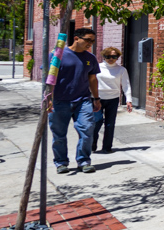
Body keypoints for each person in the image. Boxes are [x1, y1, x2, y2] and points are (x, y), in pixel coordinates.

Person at [49, 28, 102, 174]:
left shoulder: (90, 58)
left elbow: (92, 79)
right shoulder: (57, 55)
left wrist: (96, 98)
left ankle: (83, 161)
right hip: (59, 101)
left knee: (87, 130)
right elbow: (48, 79)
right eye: (88, 40)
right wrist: (48, 99)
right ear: (77, 38)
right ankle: (61, 163)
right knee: (59, 135)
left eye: (93, 41)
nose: (90, 43)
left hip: (83, 100)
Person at [92, 47, 133, 154]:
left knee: (110, 124)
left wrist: (129, 100)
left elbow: (126, 85)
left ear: (118, 57)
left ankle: (107, 147)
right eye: (108, 56)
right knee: (97, 121)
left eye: (114, 57)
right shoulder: (97, 67)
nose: (111, 59)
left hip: (113, 99)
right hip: (97, 98)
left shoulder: (121, 70)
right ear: (103, 56)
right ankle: (92, 144)